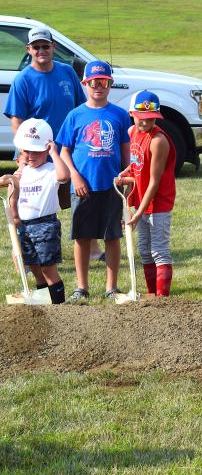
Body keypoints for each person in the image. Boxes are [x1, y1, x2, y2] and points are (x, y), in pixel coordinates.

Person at [56, 61, 131, 301]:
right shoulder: (75, 115)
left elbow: (126, 152)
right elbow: (64, 150)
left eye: (104, 82)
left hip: (111, 186)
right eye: (94, 82)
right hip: (83, 186)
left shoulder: (119, 115)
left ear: (110, 84)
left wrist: (126, 177)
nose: (98, 86)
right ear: (85, 84)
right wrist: (75, 175)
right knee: (83, 236)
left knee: (112, 236)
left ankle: (111, 286)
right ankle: (82, 286)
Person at [4, 26, 85, 211]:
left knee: (68, 203)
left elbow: (80, 109)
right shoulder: (22, 80)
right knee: (33, 207)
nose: (41, 51)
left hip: (65, 151)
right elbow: (17, 123)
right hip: (36, 153)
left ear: (53, 47)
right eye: (36, 47)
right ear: (28, 49)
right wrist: (25, 154)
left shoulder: (67, 72)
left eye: (45, 46)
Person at [0, 119, 70, 304]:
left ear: (46, 149)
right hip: (25, 226)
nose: (31, 155)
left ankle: (59, 306)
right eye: (27, 151)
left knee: (48, 268)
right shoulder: (23, 172)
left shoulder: (51, 169)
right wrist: (11, 177)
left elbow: (64, 177)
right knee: (35, 268)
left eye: (36, 151)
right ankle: (44, 302)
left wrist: (54, 153)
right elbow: (12, 189)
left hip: (45, 225)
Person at [118, 90, 176, 298]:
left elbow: (154, 181)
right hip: (141, 200)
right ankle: (151, 294)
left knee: (158, 250)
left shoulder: (158, 141)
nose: (146, 122)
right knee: (144, 249)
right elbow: (136, 163)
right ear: (131, 114)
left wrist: (138, 213)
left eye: (151, 118)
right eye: (141, 118)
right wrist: (127, 172)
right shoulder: (133, 131)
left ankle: (162, 298)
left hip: (158, 202)